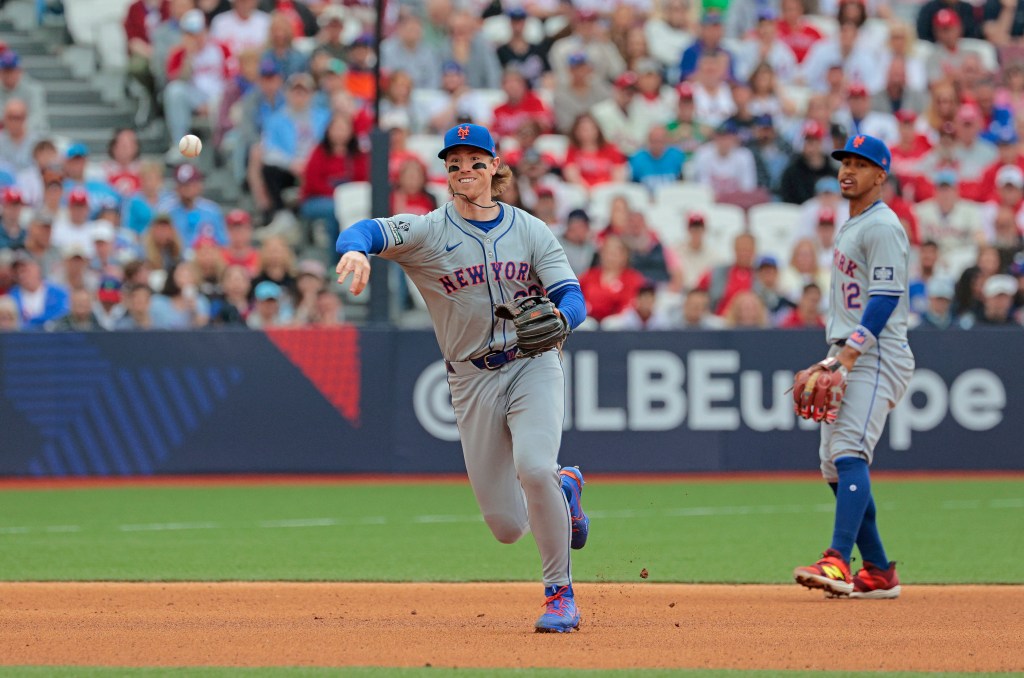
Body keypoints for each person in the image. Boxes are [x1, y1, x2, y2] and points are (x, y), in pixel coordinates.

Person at [334, 123, 590, 633]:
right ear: (446, 173)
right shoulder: (428, 232)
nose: (465, 169)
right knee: (506, 527)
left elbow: (573, 297)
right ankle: (566, 489)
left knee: (533, 467)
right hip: (470, 379)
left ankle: (559, 594)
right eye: (455, 163)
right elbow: (366, 230)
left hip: (531, 363)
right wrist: (355, 250)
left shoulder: (531, 230)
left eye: (476, 161)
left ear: (496, 167)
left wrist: (561, 321)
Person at [792, 134, 915, 600]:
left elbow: (885, 298)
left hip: (875, 352)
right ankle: (879, 571)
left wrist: (848, 355)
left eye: (861, 164)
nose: (849, 169)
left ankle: (838, 560)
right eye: (845, 161)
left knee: (848, 452)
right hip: (849, 347)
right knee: (833, 467)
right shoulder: (853, 222)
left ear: (880, 175)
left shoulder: (881, 225)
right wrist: (836, 355)